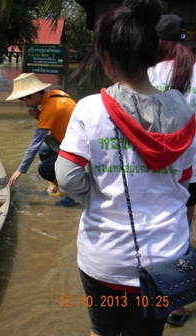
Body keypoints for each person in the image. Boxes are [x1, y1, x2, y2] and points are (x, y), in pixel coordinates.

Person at [55, 0, 196, 335]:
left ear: (108, 58)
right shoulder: (187, 113)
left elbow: (67, 177)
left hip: (105, 259)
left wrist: (97, 197)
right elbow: (187, 182)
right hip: (167, 260)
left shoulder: (90, 108)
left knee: (102, 332)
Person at [148, 13, 196, 327]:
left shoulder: (147, 72)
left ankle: (151, 299)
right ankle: (177, 307)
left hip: (155, 167)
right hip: (193, 169)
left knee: (156, 229)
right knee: (183, 233)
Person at [6, 72, 77, 206]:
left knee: (44, 169)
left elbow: (35, 143)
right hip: (69, 140)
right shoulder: (55, 94)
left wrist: (20, 170)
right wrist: (39, 115)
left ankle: (73, 194)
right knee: (45, 151)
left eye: (25, 100)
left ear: (33, 95)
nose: (26, 104)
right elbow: (58, 122)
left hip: (77, 147)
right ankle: (54, 187)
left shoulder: (49, 108)